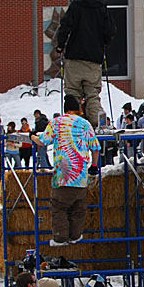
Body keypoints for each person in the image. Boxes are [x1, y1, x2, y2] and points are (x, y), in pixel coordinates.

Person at [31, 95, 101, 246]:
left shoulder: (56, 122)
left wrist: (32, 137)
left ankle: (60, 238)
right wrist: (94, 167)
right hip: (81, 176)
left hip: (63, 176)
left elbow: (43, 141)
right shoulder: (85, 124)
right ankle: (76, 236)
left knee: (59, 207)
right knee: (78, 208)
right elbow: (95, 149)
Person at [53, 0, 117, 128]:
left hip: (74, 58)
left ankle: (73, 124)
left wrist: (60, 46)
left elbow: (65, 26)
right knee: (92, 94)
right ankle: (98, 121)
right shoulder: (102, 7)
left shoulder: (76, 5)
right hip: (93, 60)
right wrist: (103, 45)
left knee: (72, 93)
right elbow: (110, 30)